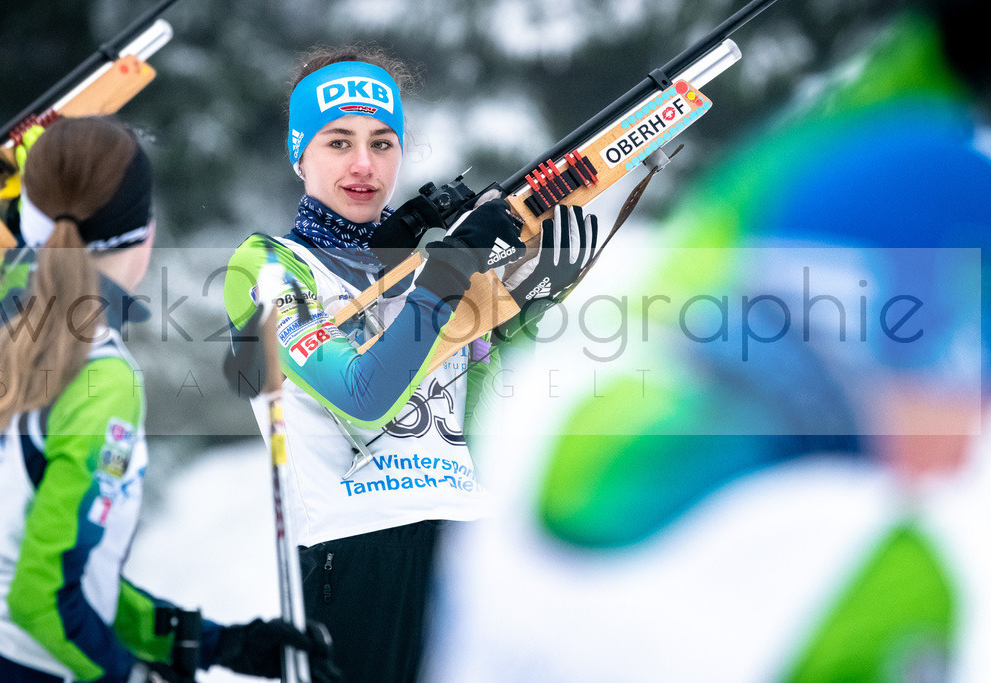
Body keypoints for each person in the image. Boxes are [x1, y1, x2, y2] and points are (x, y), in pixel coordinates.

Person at [423, 0, 991, 680]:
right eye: (966, 363)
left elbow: (767, 220)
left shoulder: (565, 434)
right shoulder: (870, 572)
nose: (975, 415)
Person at [223, 45, 598, 682]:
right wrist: (452, 270)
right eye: (338, 143)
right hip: (355, 557)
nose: (364, 164)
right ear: (299, 153)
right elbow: (363, 394)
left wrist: (524, 308)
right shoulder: (268, 265)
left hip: (463, 546)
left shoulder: (419, 269)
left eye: (382, 142)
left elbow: (471, 423)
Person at [0, 116, 339, 683]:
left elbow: (56, 571)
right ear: (145, 235)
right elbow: (41, 597)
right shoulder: (100, 379)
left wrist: (211, 643)